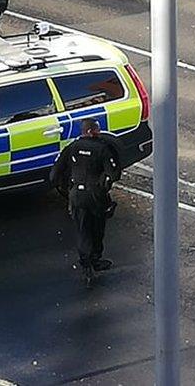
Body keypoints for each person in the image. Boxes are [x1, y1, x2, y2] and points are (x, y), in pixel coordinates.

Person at [50, 119, 121, 287]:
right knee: (97, 228)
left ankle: (86, 266)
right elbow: (114, 173)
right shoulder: (103, 149)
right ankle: (96, 259)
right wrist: (105, 182)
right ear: (91, 131)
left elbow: (54, 175)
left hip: (76, 195)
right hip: (96, 195)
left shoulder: (71, 148)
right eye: (97, 130)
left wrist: (67, 189)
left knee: (82, 229)